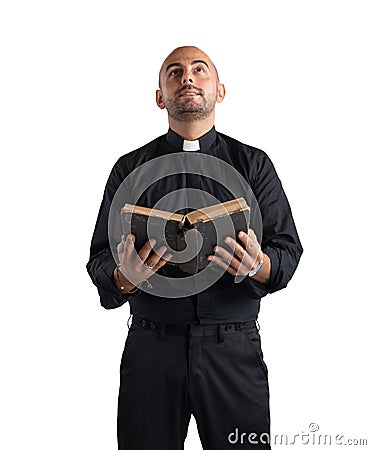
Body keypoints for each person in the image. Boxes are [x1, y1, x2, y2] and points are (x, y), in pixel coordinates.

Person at [86, 46, 303, 450]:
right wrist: (123, 278)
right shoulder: (129, 169)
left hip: (233, 349)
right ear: (159, 97)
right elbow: (99, 259)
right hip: (151, 349)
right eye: (174, 72)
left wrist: (259, 265)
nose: (187, 78)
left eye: (199, 70)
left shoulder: (253, 164)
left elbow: (288, 252)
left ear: (219, 90)